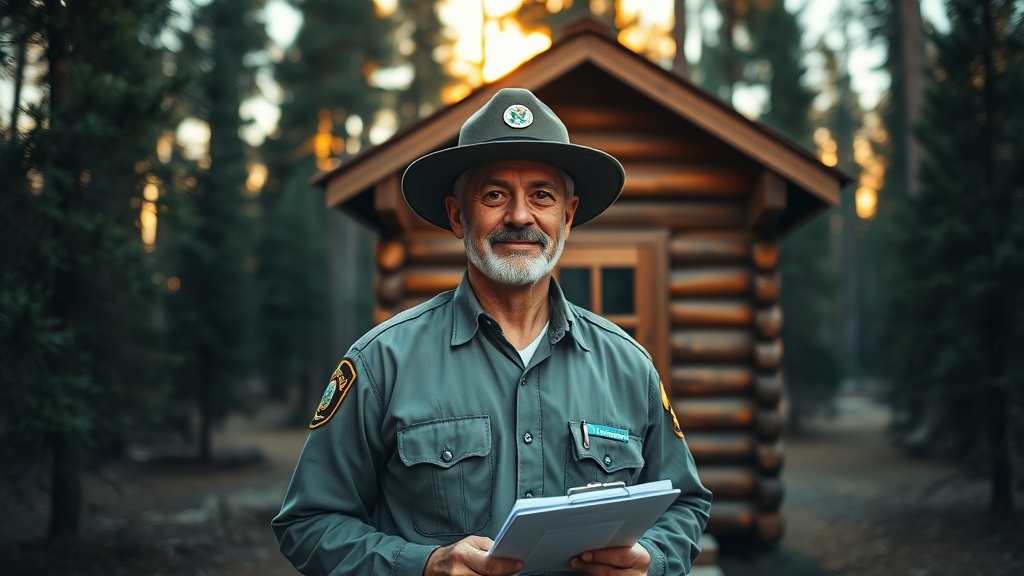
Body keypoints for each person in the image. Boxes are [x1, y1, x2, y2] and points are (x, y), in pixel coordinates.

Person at [272, 88, 712, 576]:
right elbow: (308, 523)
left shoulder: (629, 365)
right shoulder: (382, 363)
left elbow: (685, 505)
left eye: (541, 195)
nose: (520, 216)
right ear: (460, 216)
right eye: (495, 194)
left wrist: (652, 561)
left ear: (566, 216)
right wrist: (424, 566)